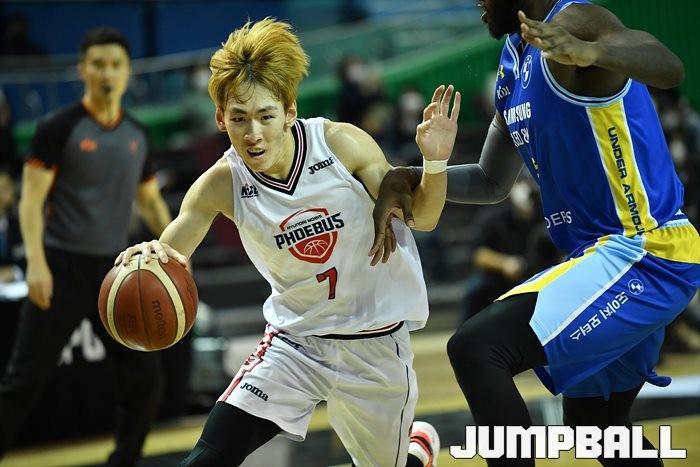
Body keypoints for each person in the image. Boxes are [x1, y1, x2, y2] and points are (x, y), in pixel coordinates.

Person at [116, 18, 460, 467]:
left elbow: (425, 218)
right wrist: (148, 259)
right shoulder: (221, 183)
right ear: (220, 119)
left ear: (289, 111)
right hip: (295, 344)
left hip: (374, 342)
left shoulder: (341, 145)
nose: (253, 133)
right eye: (238, 119)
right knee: (208, 458)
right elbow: (171, 253)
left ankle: (416, 451)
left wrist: (435, 162)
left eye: (265, 116)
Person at [371, 0, 699, 465]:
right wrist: (416, 174)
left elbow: (668, 66)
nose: (477, 2)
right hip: (602, 259)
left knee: (477, 348)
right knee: (597, 427)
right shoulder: (512, 61)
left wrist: (596, 52)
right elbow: (490, 180)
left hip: (645, 250)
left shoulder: (574, 20)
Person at [0, 27, 171, 467]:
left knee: (145, 380)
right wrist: (36, 264)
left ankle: (123, 463)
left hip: (114, 274)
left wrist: (178, 254)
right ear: (82, 70)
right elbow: (30, 201)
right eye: (98, 64)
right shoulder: (58, 128)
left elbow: (150, 201)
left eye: (115, 64)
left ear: (128, 72)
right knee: (22, 382)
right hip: (60, 269)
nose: (106, 73)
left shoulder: (137, 134)